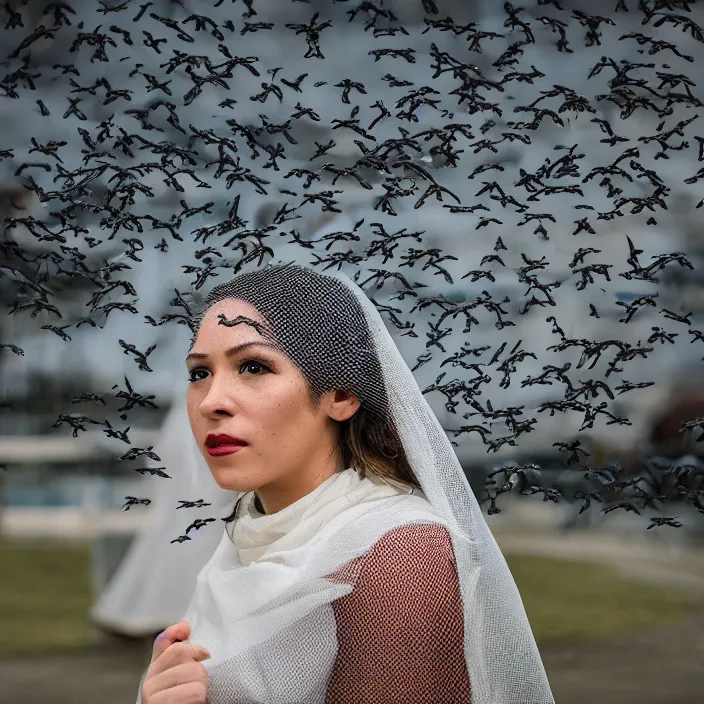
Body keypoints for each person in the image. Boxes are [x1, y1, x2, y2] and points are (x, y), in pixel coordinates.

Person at [137, 262, 554, 704]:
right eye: (199, 373)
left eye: (254, 367)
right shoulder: (249, 537)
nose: (212, 402)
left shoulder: (397, 555)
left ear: (340, 394)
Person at [91, 391, 234, 639]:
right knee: (195, 546)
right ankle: (185, 614)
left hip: (191, 495)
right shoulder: (202, 412)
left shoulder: (189, 410)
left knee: (180, 544)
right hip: (199, 497)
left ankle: (174, 613)